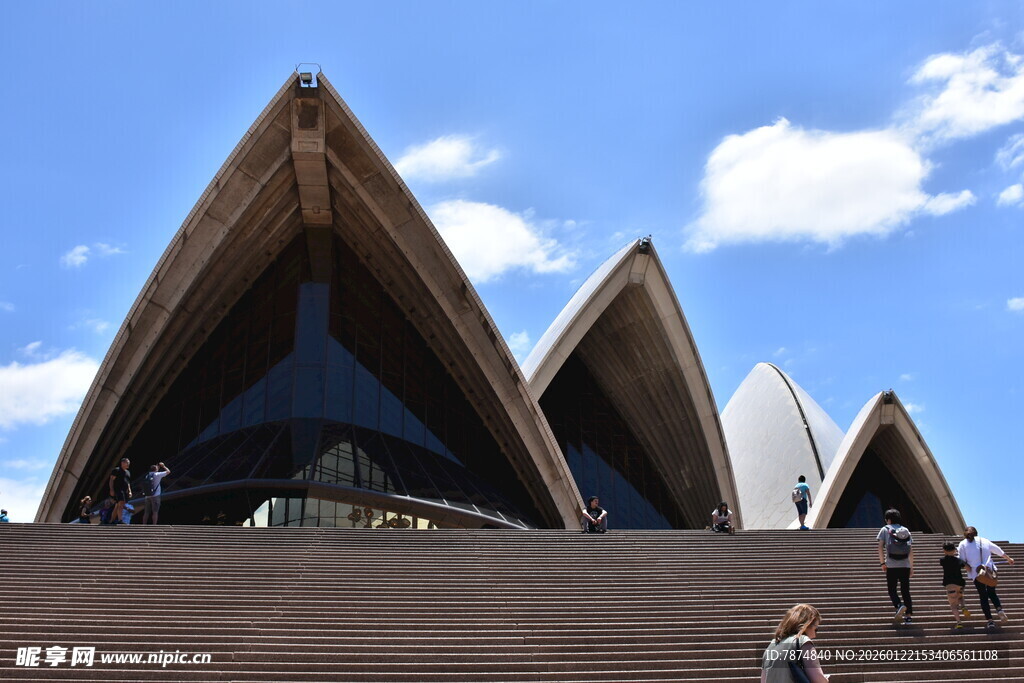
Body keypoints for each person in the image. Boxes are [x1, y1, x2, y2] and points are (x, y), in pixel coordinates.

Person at [957, 526, 1015, 630]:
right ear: (976, 533)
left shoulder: (962, 544)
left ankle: (990, 621)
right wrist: (1009, 559)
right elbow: (998, 550)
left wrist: (968, 568)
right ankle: (999, 609)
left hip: (977, 573)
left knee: (983, 596)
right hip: (990, 571)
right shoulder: (984, 540)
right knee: (992, 592)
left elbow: (962, 560)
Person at [760, 603, 830, 682]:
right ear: (807, 625)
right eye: (816, 629)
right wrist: (825, 680)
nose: (814, 635)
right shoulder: (803, 641)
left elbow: (763, 680)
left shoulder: (772, 645)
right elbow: (817, 678)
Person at [877, 508, 914, 624]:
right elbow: (910, 550)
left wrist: (882, 563)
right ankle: (908, 616)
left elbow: (880, 547)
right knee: (905, 591)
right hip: (905, 565)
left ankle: (899, 605)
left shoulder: (885, 529)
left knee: (892, 589)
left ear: (888, 519)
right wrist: (911, 567)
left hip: (891, 565)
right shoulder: (906, 530)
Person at [940, 542, 970, 628]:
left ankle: (959, 622)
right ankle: (963, 607)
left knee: (953, 605)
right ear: (954, 550)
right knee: (960, 596)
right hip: (960, 583)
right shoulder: (959, 560)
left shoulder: (942, 560)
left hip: (950, 585)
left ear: (944, 551)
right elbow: (968, 568)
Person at [108, 457, 132, 525]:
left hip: (125, 491)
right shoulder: (116, 470)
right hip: (118, 490)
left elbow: (128, 482)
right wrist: (111, 489)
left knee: (117, 505)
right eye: (127, 463)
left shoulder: (128, 472)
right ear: (122, 463)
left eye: (128, 463)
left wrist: (129, 491)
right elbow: (111, 480)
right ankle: (120, 519)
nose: (128, 464)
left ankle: (112, 520)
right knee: (121, 503)